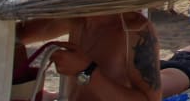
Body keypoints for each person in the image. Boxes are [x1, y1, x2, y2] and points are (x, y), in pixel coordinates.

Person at [16, 11, 161, 101]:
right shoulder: (77, 17)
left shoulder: (135, 29)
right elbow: (16, 36)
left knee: (176, 73)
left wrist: (87, 71)